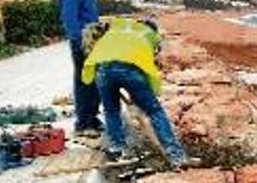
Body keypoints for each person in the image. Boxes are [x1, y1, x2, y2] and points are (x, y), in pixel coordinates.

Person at [81, 17, 193, 170]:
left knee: (112, 111)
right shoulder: (150, 37)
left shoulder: (120, 29)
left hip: (103, 70)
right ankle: (176, 156)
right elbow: (147, 68)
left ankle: (118, 149)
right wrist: (145, 97)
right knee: (155, 111)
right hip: (130, 72)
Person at [61, 0, 107, 137]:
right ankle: (83, 122)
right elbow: (69, 19)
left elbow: (89, 17)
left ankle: (92, 118)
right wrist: (80, 41)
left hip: (93, 41)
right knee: (83, 80)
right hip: (81, 42)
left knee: (95, 81)